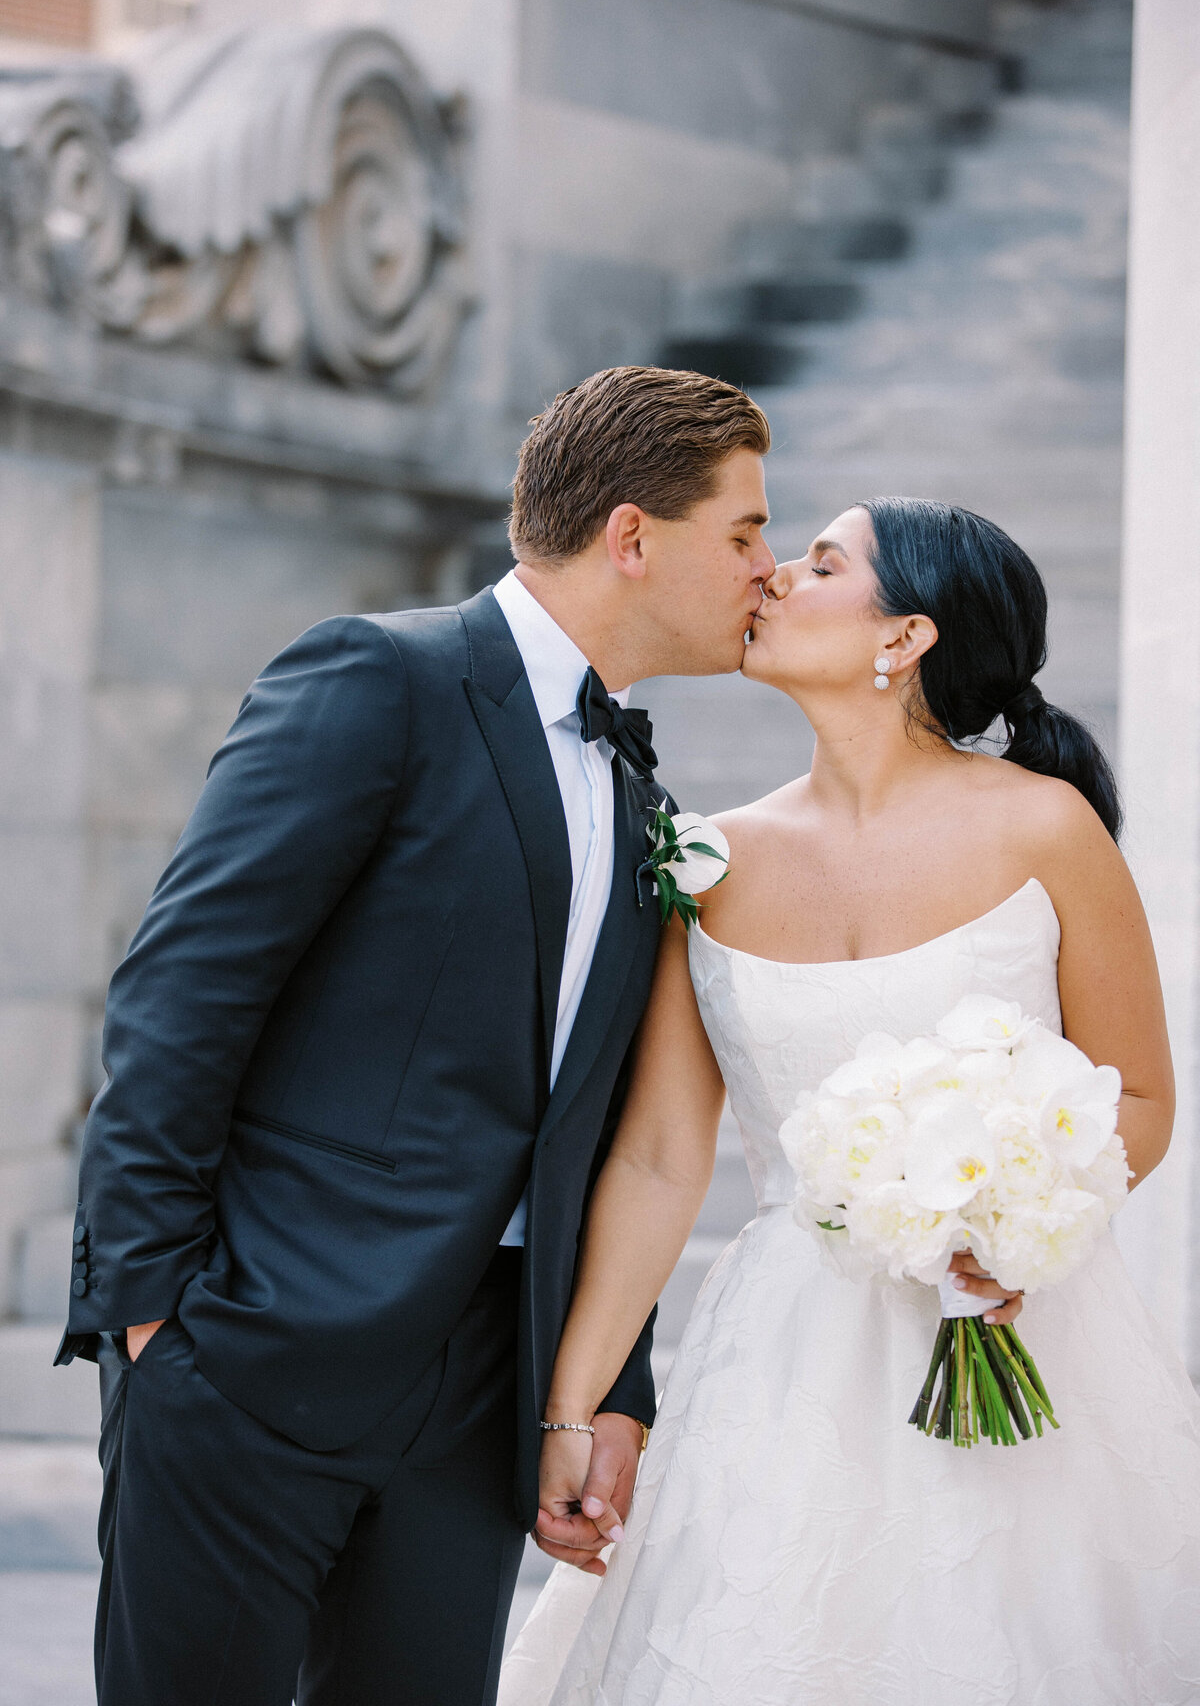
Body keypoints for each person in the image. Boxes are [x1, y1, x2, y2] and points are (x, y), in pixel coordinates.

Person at [53, 366, 776, 1706]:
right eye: (743, 534)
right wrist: (153, 1322)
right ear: (633, 537)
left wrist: (607, 1381)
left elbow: (598, 1127)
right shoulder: (375, 678)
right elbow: (181, 996)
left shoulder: (638, 788)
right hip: (251, 1365)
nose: (768, 572)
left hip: (477, 1403)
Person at [500, 498, 1200, 1706]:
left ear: (906, 636)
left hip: (1023, 1336)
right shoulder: (706, 859)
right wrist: (571, 1410)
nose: (772, 575)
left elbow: (1137, 1093)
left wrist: (1023, 1223)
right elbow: (664, 1158)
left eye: (822, 563)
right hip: (785, 1360)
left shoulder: (1048, 828)